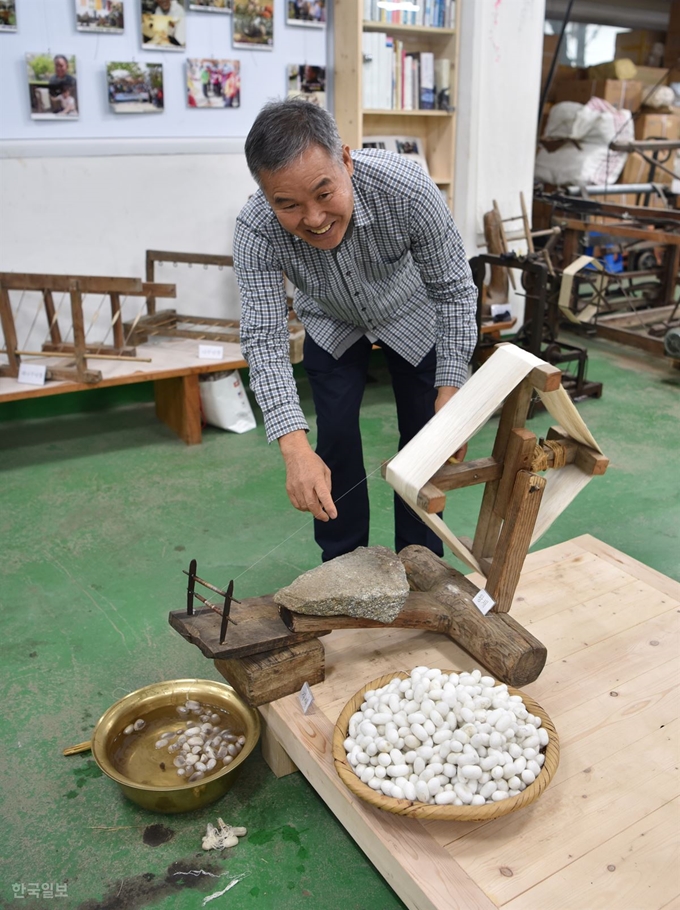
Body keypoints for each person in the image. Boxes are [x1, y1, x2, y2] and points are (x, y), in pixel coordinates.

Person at [233, 99, 477, 562]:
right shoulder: (256, 230)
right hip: (330, 321)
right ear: (266, 196)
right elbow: (264, 337)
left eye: (325, 194)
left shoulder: (406, 189)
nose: (313, 219)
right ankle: (344, 563)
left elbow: (454, 290)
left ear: (345, 159)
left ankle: (420, 560)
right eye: (288, 205)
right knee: (333, 442)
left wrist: (452, 386)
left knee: (426, 438)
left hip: (411, 313)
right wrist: (293, 448)